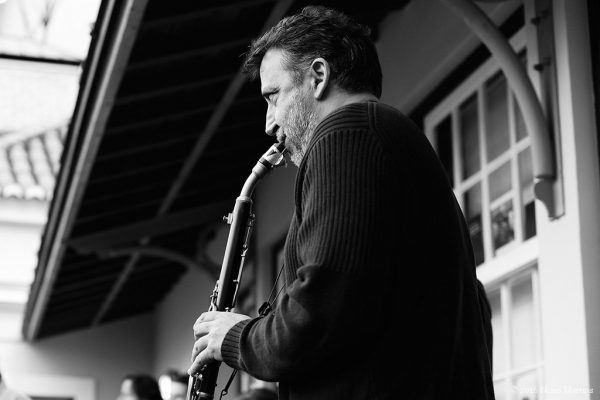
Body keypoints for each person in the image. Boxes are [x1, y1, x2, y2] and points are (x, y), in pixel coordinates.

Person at [189, 5, 495, 400]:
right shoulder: (385, 137)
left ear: (318, 76)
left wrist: (236, 337)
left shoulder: (347, 133)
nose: (269, 123)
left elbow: (320, 313)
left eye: (273, 97)